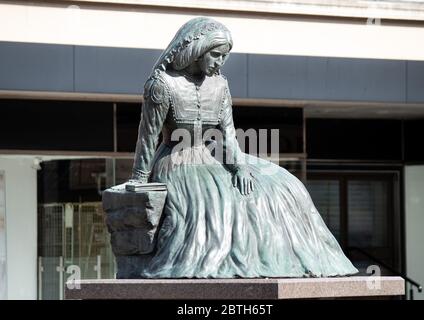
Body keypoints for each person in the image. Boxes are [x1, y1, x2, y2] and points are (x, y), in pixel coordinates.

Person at [129, 17, 358, 278]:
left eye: (224, 56)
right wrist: (138, 179)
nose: (220, 62)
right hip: (177, 161)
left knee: (283, 184)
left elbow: (227, 132)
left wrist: (239, 167)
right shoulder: (162, 85)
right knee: (222, 200)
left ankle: (296, 259)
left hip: (213, 153)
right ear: (198, 50)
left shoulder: (220, 85)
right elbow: (147, 138)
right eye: (215, 55)